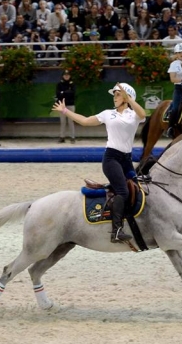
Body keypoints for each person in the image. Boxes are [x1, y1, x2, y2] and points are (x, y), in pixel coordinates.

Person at [52, 83, 146, 243]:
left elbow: (143, 114)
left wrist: (129, 99)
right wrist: (65, 111)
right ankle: (115, 232)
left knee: (138, 191)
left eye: (117, 94)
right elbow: (85, 121)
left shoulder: (134, 115)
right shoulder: (108, 114)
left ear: (126, 97)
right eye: (114, 95)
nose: (114, 98)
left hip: (126, 160)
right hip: (112, 158)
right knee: (123, 192)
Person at [55, 70, 76, 144]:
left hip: (70, 104)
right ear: (63, 76)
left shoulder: (72, 84)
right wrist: (66, 92)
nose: (66, 76)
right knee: (63, 122)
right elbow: (58, 94)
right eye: (65, 75)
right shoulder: (59, 84)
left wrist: (63, 92)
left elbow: (72, 93)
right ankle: (62, 137)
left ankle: (72, 137)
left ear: (70, 76)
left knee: (71, 121)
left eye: (68, 75)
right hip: (62, 105)